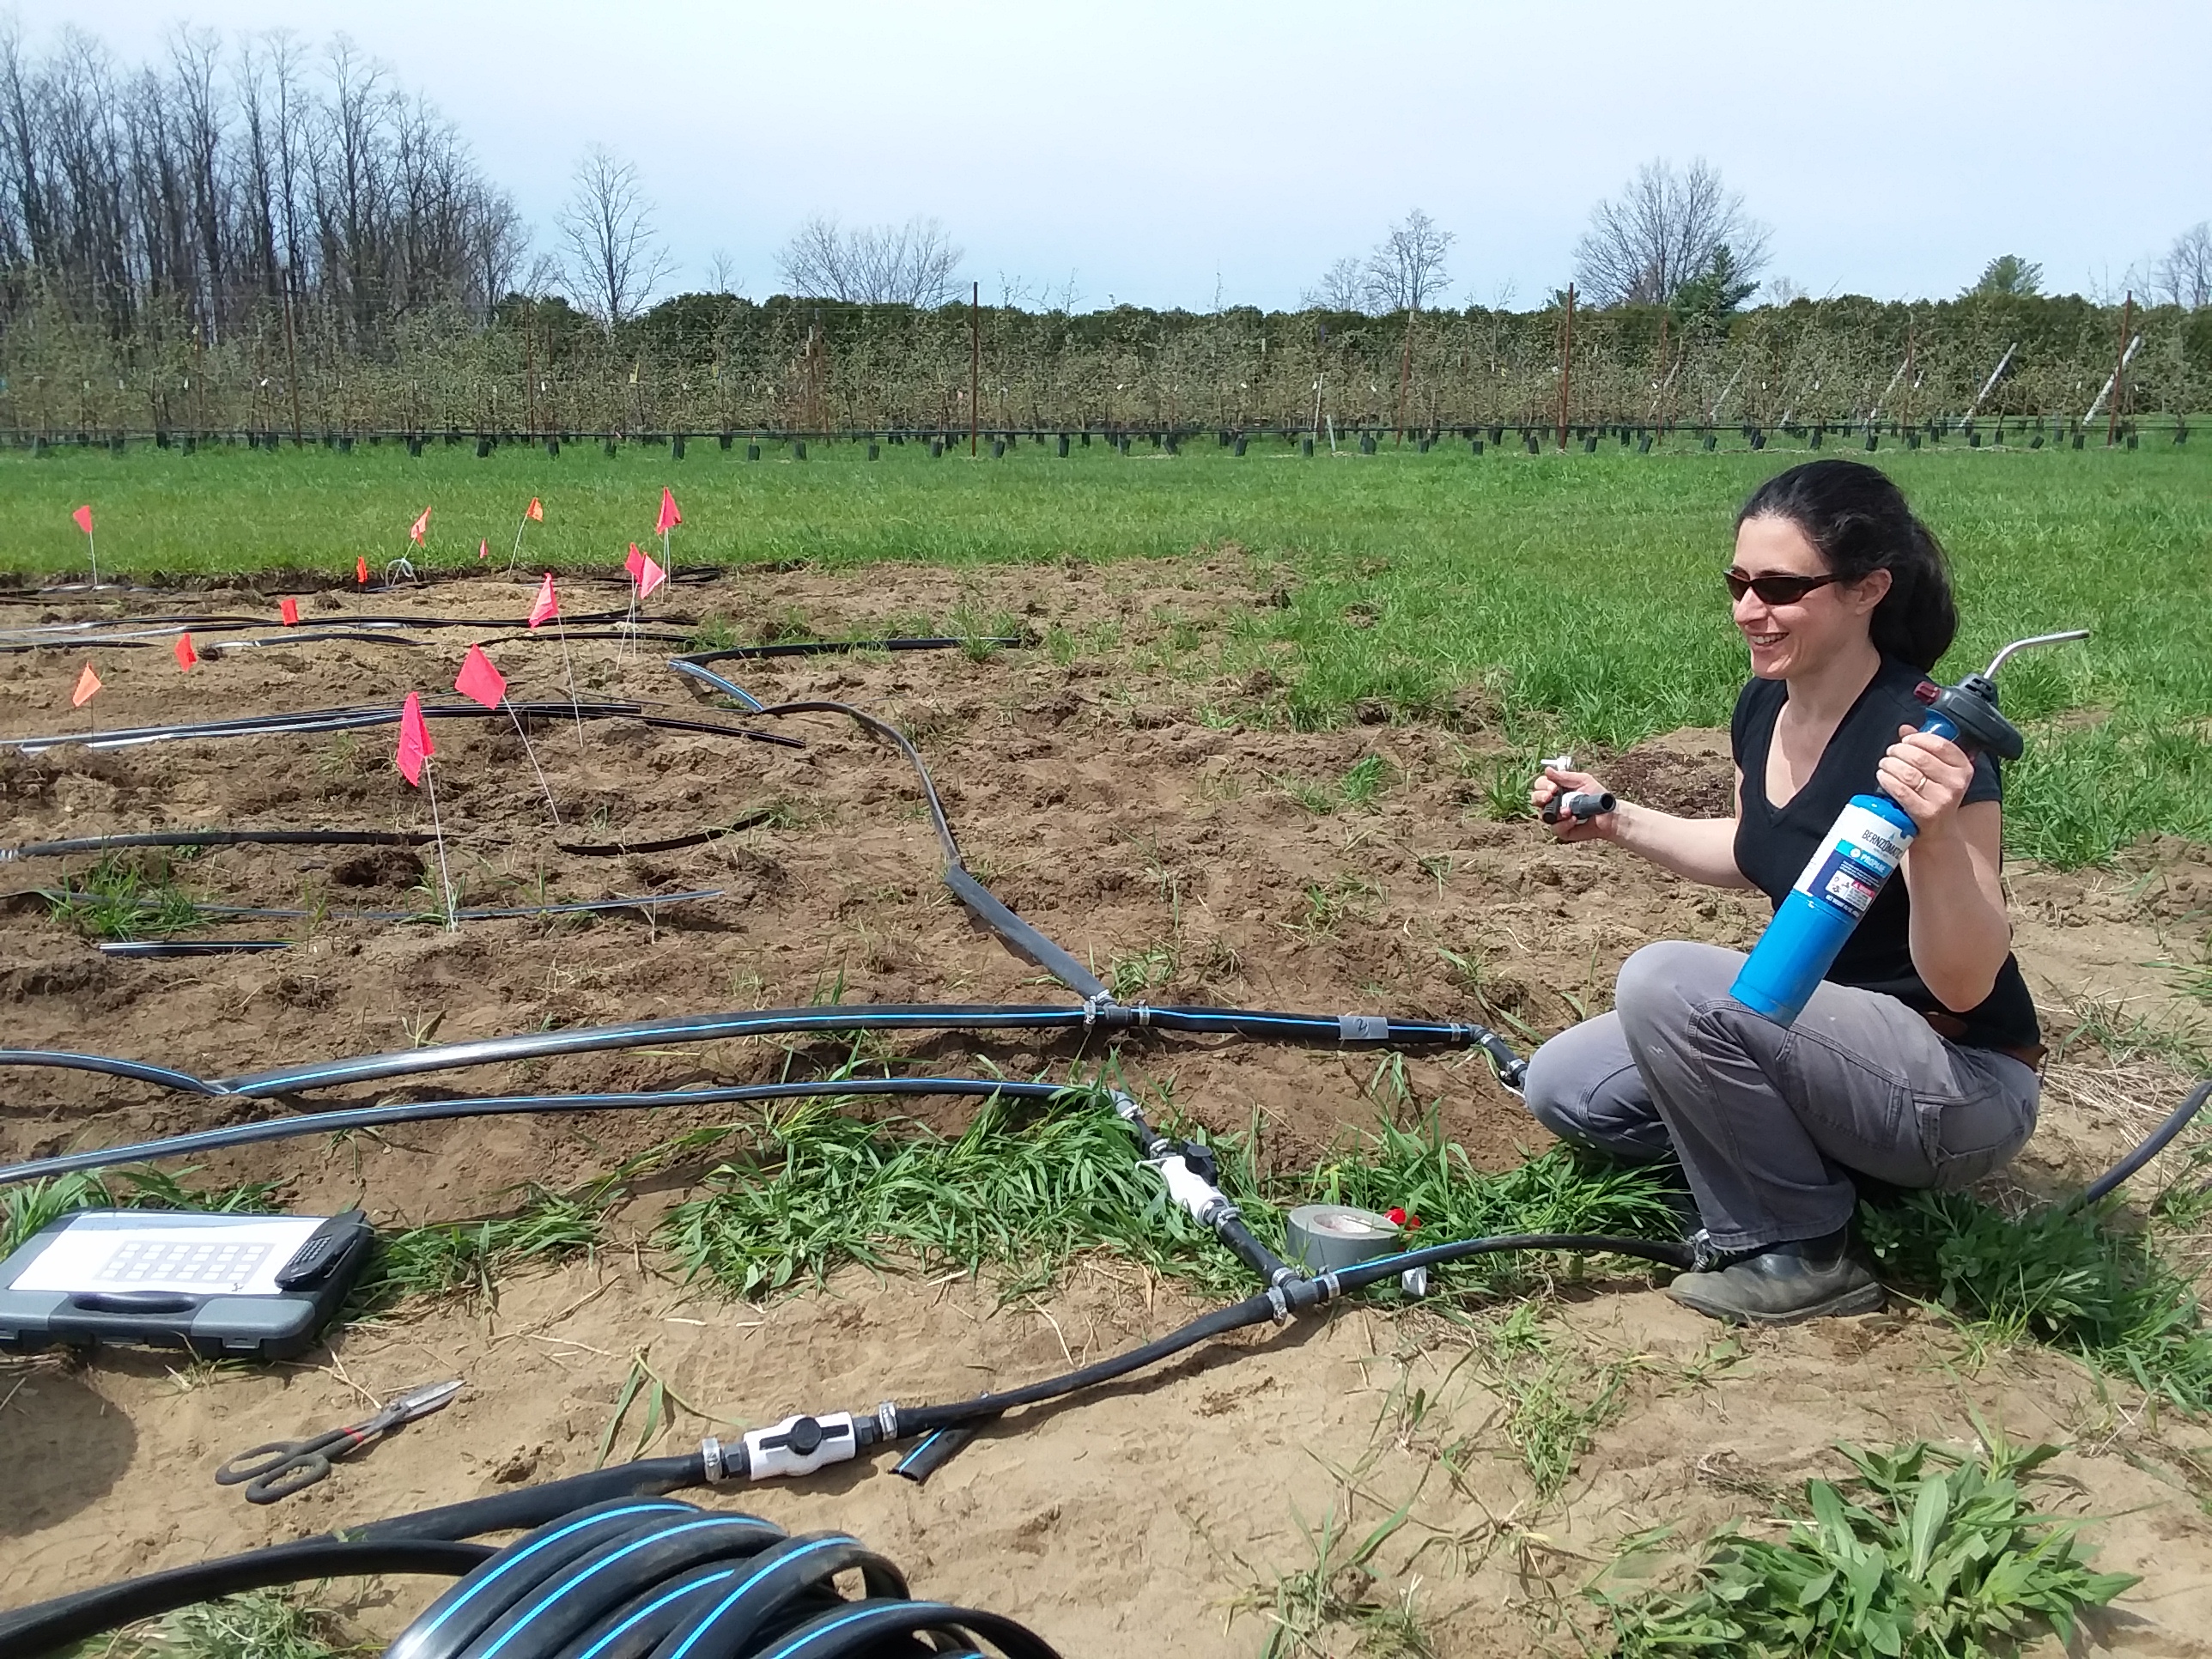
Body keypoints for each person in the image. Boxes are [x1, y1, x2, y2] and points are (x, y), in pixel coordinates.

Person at [1523, 459, 2043, 1325]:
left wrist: (1939, 830)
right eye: (1736, 581)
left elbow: (1963, 980)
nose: (1744, 610)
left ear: (1866, 589)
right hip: (1824, 1048)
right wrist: (1610, 815)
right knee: (1564, 1088)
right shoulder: (1765, 706)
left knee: (1665, 983)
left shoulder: (1923, 742)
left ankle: (1803, 1250)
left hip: (1953, 1083)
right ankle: (1812, 1170)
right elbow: (1753, 850)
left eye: (1778, 586)